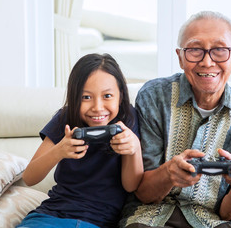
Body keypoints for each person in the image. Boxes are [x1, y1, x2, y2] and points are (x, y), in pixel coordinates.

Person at [119, 11, 231, 228]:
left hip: (215, 220)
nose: (207, 62)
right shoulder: (153, 97)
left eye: (220, 50)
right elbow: (142, 192)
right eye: (195, 50)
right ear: (180, 57)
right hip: (151, 216)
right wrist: (168, 173)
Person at [16, 53, 143, 228]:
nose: (97, 108)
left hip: (98, 221)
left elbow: (131, 186)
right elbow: (29, 177)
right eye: (86, 97)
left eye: (107, 96)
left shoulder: (128, 119)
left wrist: (134, 147)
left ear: (120, 96)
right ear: (75, 97)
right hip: (50, 216)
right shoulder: (66, 118)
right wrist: (59, 151)